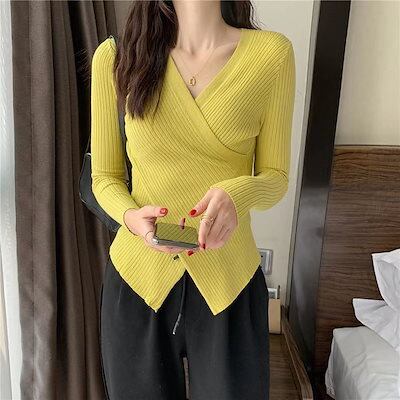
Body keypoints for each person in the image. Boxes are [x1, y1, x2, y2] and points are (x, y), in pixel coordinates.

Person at [91, 1, 296, 399]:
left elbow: (276, 177)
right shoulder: (115, 57)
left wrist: (237, 194)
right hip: (137, 282)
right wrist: (131, 218)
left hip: (229, 282)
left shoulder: (271, 55)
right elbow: (105, 178)